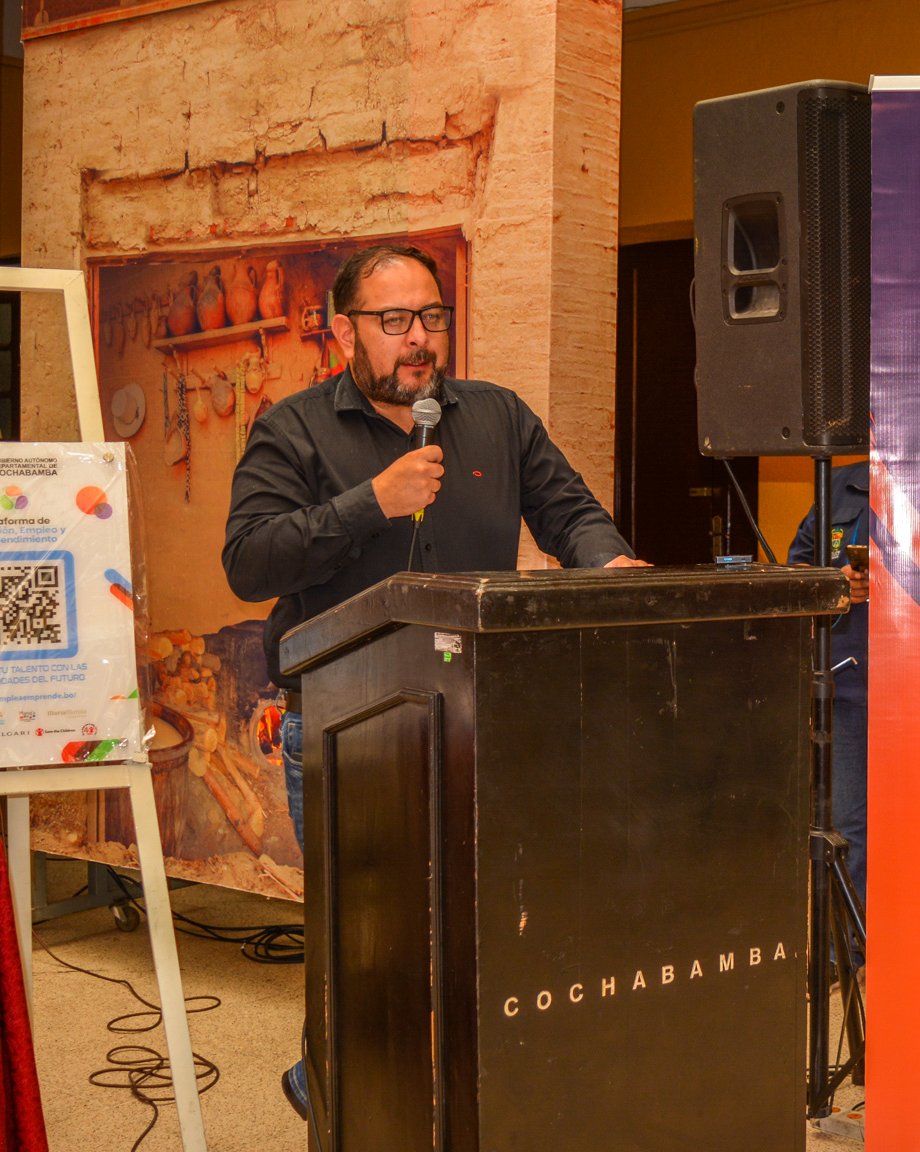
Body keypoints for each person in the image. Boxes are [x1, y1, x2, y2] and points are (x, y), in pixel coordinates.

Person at [222, 243, 645, 1120]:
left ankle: (458, 1100)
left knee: (479, 925)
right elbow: (250, 561)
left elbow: (569, 512)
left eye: (431, 316)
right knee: (366, 940)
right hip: (342, 725)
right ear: (347, 332)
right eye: (394, 321)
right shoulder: (292, 429)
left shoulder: (496, 415)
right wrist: (371, 502)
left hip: (478, 718)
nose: (418, 338)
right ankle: (334, 1093)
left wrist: (611, 564)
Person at [788, 461, 871, 910]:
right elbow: (796, 570)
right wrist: (833, 583)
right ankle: (848, 946)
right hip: (849, 686)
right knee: (846, 827)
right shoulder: (839, 484)